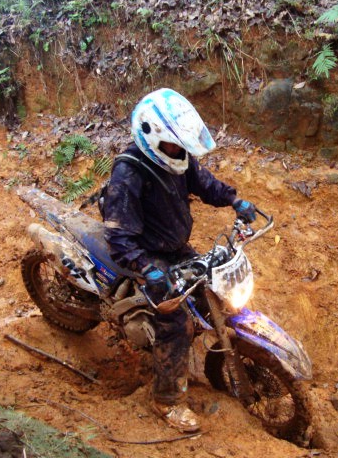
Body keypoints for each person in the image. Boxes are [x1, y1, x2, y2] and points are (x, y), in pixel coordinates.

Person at [101, 88, 257, 432]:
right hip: (145, 254)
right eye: (174, 145)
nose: (179, 150)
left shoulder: (178, 157)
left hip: (175, 247)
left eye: (181, 144)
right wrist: (146, 268)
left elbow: (204, 183)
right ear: (152, 137)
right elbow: (119, 237)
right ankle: (167, 400)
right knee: (176, 325)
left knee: (212, 289)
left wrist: (235, 201)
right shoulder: (128, 173)